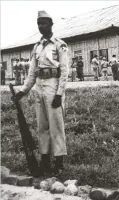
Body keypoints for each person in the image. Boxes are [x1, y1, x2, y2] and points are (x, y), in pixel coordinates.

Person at [15, 10, 69, 177]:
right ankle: (44, 159)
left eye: (44, 23)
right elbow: (32, 72)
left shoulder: (60, 45)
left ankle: (59, 162)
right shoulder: (36, 47)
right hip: (39, 87)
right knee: (42, 126)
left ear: (51, 24)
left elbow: (65, 71)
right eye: (39, 24)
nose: (41, 27)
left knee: (56, 126)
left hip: (53, 87)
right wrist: (23, 91)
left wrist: (59, 94)